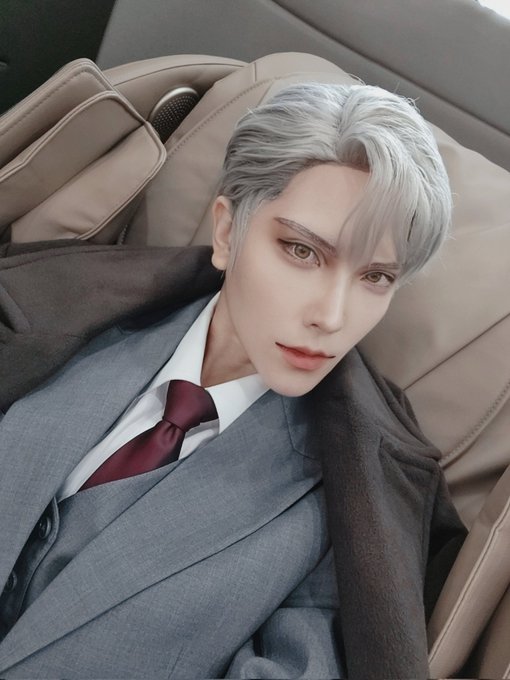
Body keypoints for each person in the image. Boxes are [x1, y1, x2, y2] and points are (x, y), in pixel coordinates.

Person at [0, 82, 465, 679]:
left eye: (375, 277)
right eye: (302, 252)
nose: (331, 316)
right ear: (227, 232)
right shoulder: (49, 322)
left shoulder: (347, 514)